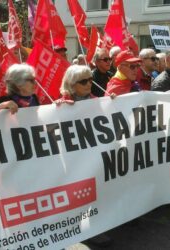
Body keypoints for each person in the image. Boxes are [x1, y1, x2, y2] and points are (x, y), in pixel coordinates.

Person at [57, 65, 113, 248]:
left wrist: (113, 105)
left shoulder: (97, 100)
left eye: (90, 79)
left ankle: (94, 229)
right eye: (83, 81)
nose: (89, 84)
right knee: (77, 196)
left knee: (96, 193)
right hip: (72, 160)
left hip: (94, 157)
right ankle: (73, 229)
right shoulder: (60, 104)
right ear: (72, 85)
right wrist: (58, 109)